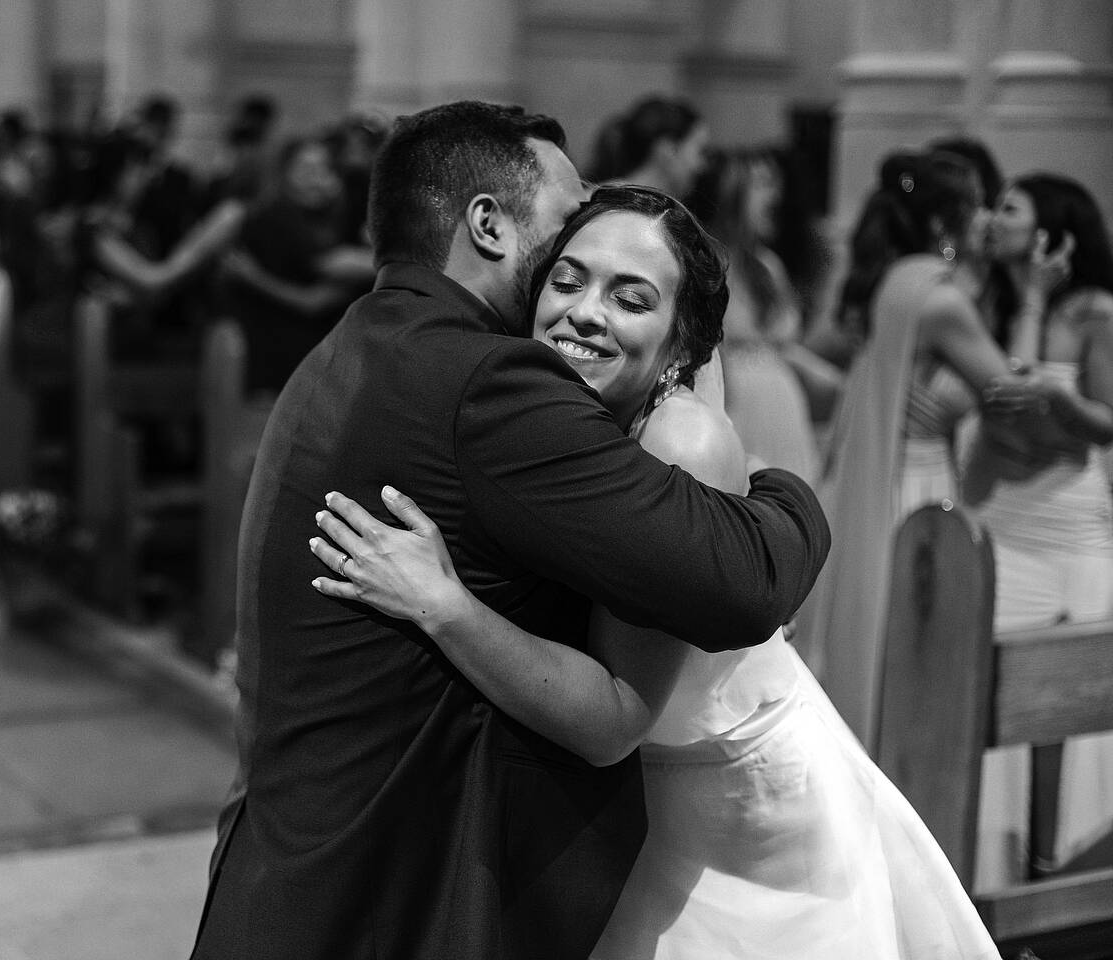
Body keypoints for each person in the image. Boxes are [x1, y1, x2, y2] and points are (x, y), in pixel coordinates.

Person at [189, 100, 829, 960]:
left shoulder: (349, 345)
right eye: (566, 234)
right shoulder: (488, 384)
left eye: (627, 291)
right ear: (490, 224)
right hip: (381, 893)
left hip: (284, 865)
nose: (575, 274)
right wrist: (782, 492)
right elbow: (743, 578)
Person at [308, 185, 999, 959]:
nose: (585, 312)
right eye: (566, 282)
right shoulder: (566, 418)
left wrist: (444, 604)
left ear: (679, 344)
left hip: (733, 827)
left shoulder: (678, 443)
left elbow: (613, 721)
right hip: (641, 808)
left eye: (629, 298)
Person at [796, 149, 1036, 745]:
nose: (985, 217)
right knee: (917, 652)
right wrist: (1032, 299)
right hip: (921, 488)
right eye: (976, 205)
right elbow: (1017, 395)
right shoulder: (941, 300)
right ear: (942, 224)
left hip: (881, 479)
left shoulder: (897, 280)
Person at [967, 172, 1113, 889]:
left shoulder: (1094, 311)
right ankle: (994, 871)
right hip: (1000, 522)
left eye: (1011, 207)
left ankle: (1052, 876)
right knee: (991, 698)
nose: (995, 218)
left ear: (1055, 231)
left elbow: (1105, 423)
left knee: (1060, 703)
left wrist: (1062, 398)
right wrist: (1026, 304)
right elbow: (1013, 414)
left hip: (1069, 532)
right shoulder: (991, 304)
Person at [689, 148, 833, 481]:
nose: (776, 194)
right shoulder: (705, 265)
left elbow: (784, 348)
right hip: (733, 403)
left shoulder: (767, 265)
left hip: (784, 406)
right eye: (763, 183)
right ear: (732, 192)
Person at [221, 134, 373, 397]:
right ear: (284, 174)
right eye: (305, 169)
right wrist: (402, 258)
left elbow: (320, 295)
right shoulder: (277, 216)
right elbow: (329, 268)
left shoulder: (319, 220)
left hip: (303, 350)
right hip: (279, 353)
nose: (316, 179)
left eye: (323, 169)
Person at [590, 96, 709, 200]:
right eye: (700, 151)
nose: (703, 166)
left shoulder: (613, 199)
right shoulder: (611, 204)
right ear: (668, 149)